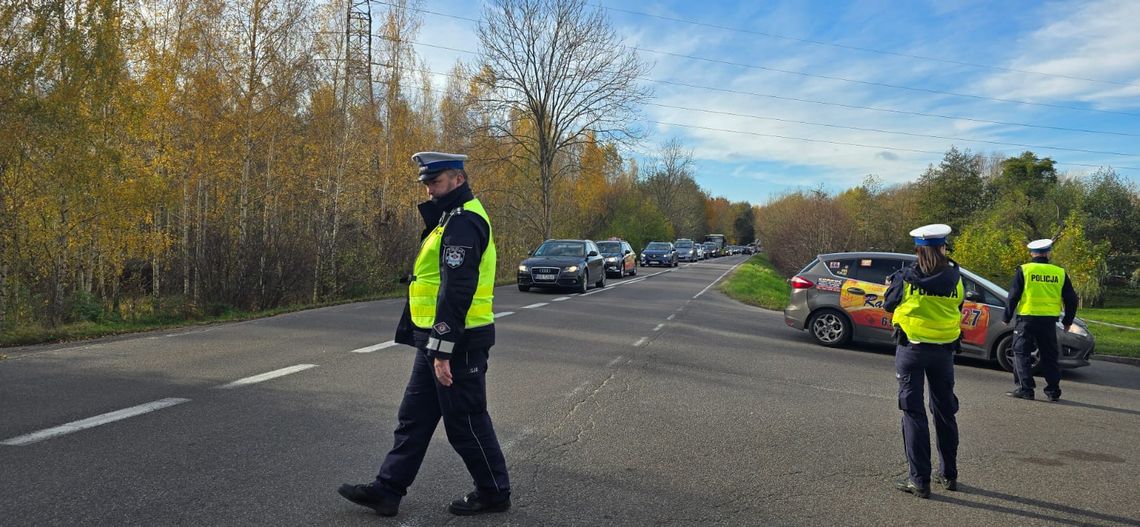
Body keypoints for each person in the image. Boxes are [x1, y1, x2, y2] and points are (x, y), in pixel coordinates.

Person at [338, 152, 511, 517]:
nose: (429, 190)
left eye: (435, 182)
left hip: (459, 341)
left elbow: (457, 288)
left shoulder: (464, 222)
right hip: (435, 340)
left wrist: (444, 347)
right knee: (413, 418)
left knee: (465, 421)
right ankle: (388, 490)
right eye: (426, 184)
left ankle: (494, 493)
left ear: (458, 180)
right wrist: (435, 344)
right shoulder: (448, 218)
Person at [883, 224, 963, 499]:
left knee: (913, 413)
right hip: (944, 353)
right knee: (944, 411)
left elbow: (889, 304)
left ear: (918, 250)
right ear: (943, 248)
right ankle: (949, 475)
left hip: (912, 351)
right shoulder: (956, 279)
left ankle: (919, 481)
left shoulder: (905, 278)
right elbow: (958, 308)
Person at [1003, 239, 1079, 402]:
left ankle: (1026, 389)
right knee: (1049, 355)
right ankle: (1053, 391)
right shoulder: (1059, 272)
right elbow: (1072, 299)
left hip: (1027, 320)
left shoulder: (1025, 270)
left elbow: (1013, 296)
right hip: (1049, 322)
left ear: (1032, 253)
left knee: (1021, 352)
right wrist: (1068, 320)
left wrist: (1006, 317)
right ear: (1048, 253)